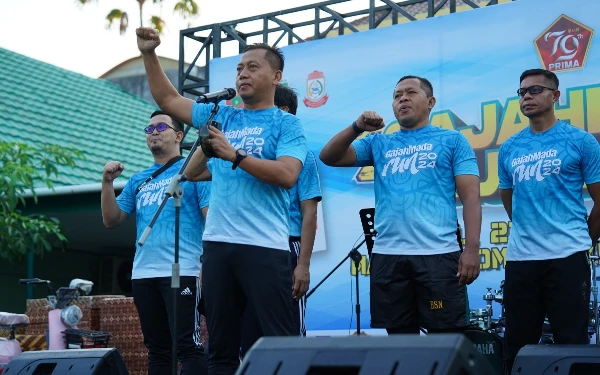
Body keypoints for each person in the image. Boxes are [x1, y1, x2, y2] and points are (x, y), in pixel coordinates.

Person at [135, 27, 307, 375]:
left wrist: (235, 155)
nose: (243, 73)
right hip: (217, 247)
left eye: (253, 67)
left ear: (276, 76)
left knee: (280, 344)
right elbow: (168, 101)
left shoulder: (286, 124)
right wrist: (149, 55)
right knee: (221, 349)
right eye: (240, 68)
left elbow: (288, 175)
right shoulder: (221, 115)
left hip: (265, 247)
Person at [319, 75, 482, 335]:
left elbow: (471, 197)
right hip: (389, 256)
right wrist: (357, 127)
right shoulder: (379, 142)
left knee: (445, 340)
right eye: (397, 95)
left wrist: (472, 249)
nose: (402, 98)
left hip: (438, 255)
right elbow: (329, 156)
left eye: (410, 93)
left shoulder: (452, 141)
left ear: (430, 102)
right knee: (400, 343)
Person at [498, 68, 600, 374]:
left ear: (555, 96)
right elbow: (509, 200)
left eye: (535, 90)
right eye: (522, 92)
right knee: (517, 343)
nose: (526, 96)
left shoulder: (580, 141)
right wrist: (530, 231)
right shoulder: (510, 147)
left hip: (567, 257)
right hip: (521, 259)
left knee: (572, 342)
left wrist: (583, 239)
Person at [101, 110, 210, 375]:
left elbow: (211, 220)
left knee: (188, 346)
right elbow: (112, 219)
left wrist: (207, 265)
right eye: (149, 130)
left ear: (179, 135)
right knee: (158, 349)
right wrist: (106, 182)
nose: (154, 133)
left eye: (161, 127)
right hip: (143, 273)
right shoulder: (138, 179)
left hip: (182, 270)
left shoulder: (194, 172)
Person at [240, 84, 322, 357]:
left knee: (288, 337)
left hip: (288, 247)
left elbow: (309, 213)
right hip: (252, 247)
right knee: (250, 337)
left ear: (283, 112)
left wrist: (303, 266)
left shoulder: (303, 158)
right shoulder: (250, 156)